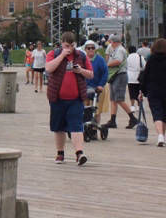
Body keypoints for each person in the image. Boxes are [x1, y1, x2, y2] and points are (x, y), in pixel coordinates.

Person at [45, 31, 94, 165]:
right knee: (58, 127)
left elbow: (90, 74)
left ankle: (79, 153)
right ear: (62, 44)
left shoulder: (81, 56)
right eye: (66, 46)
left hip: (76, 99)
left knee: (76, 126)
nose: (69, 49)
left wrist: (81, 71)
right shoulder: (54, 54)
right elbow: (48, 68)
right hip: (57, 98)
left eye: (71, 46)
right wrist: (62, 55)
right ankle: (60, 153)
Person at [104, 35, 138, 129]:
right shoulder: (116, 49)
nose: (110, 44)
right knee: (113, 99)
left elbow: (118, 61)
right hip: (115, 75)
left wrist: (106, 65)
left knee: (119, 99)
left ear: (115, 42)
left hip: (119, 75)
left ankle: (132, 118)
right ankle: (113, 120)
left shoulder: (120, 50)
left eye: (111, 42)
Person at [139, 38, 166, 146]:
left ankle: (160, 136)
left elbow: (144, 76)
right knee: (164, 114)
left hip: (153, 90)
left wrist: (142, 91)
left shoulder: (151, 59)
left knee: (157, 113)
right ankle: (163, 136)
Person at [84, 40, 108, 124]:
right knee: (85, 108)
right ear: (85, 49)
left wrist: (101, 85)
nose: (91, 50)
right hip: (85, 87)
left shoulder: (100, 60)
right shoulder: (83, 59)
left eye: (93, 48)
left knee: (96, 109)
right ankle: (85, 126)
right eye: (88, 48)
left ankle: (95, 127)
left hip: (97, 87)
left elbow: (105, 73)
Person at [126, 45, 146, 113]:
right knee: (139, 91)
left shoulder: (127, 57)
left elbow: (125, 67)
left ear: (129, 51)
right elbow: (144, 66)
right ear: (135, 50)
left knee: (131, 92)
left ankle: (132, 106)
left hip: (130, 77)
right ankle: (139, 105)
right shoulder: (140, 57)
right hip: (139, 77)